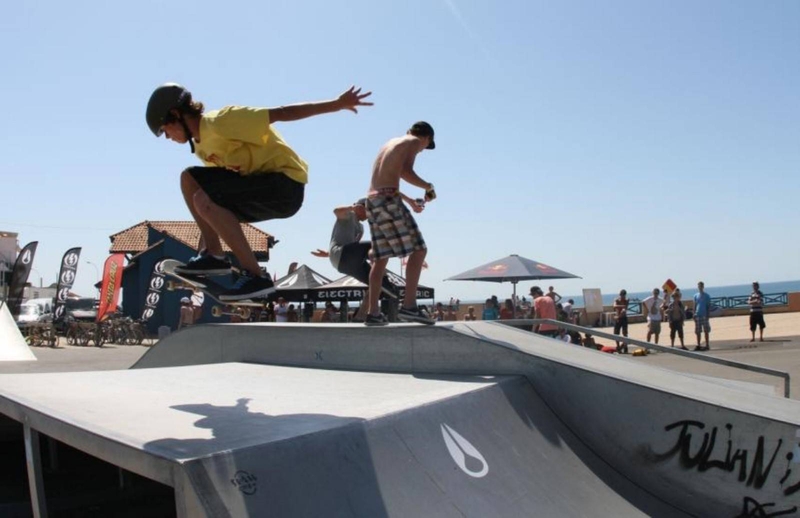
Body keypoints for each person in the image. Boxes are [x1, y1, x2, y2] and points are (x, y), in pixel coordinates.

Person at [146, 83, 373, 300]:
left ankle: (255, 276)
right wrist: (202, 255)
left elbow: (282, 113)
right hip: (260, 189)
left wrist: (336, 104)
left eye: (166, 131)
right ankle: (213, 256)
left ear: (176, 114)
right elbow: (211, 207)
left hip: (286, 185)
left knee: (200, 194)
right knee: (190, 180)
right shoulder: (203, 149)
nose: (168, 137)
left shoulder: (221, 122)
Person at [363, 122, 437, 326]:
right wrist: (428, 186)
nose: (422, 150)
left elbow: (388, 178)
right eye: (425, 147)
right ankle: (410, 307)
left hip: (374, 200)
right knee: (419, 250)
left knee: (380, 259)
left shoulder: (390, 143)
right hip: (388, 200)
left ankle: (373, 313)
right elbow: (406, 171)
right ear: (426, 138)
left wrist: (410, 201)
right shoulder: (413, 141)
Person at [311, 197, 417, 304]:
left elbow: (356, 248)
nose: (368, 216)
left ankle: (392, 292)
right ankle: (401, 248)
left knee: (374, 281)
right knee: (378, 245)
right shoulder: (349, 215)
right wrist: (352, 208)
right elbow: (336, 211)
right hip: (340, 253)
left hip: (345, 262)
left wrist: (327, 254)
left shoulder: (361, 228)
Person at [693, 281, 712, 351]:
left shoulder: (707, 296)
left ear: (703, 287)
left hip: (704, 315)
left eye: (701, 286)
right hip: (697, 315)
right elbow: (694, 305)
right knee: (698, 331)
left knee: (706, 330)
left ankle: (707, 344)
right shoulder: (695, 296)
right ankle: (698, 344)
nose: (700, 287)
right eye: (699, 286)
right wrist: (694, 314)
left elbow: (709, 306)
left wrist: (708, 315)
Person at [612, 289, 629, 353]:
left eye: (623, 295)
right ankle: (618, 346)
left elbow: (625, 309)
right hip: (618, 319)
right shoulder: (616, 300)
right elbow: (614, 306)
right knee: (616, 333)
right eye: (621, 295)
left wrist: (617, 317)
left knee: (625, 333)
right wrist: (622, 305)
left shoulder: (626, 300)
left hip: (623, 318)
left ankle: (625, 346)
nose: (622, 297)